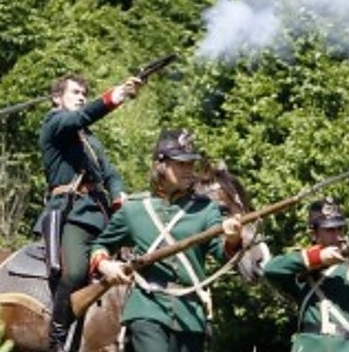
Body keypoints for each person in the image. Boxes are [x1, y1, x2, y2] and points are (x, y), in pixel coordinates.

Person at [88, 129, 243, 352]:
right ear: (161, 165)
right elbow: (99, 245)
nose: (188, 170)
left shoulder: (206, 210)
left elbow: (223, 254)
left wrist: (233, 237)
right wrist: (105, 264)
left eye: (191, 164)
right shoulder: (134, 209)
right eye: (181, 164)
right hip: (147, 310)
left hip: (191, 314)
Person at [37, 73, 141, 351]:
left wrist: (119, 196)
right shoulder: (55, 123)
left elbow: (110, 173)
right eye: (75, 92)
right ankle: (57, 339)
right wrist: (115, 96)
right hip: (72, 213)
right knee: (74, 273)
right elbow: (78, 118)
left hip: (102, 211)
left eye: (84, 93)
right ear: (57, 98)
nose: (82, 97)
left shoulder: (90, 140)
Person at [263, 198, 349, 352]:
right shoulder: (301, 264)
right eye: (329, 230)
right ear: (314, 234)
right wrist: (318, 257)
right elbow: (270, 270)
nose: (337, 235)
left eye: (339, 229)